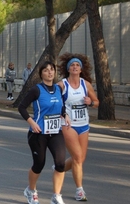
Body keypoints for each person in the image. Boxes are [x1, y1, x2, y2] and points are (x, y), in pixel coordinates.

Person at [18, 61, 70, 204]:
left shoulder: (59, 89)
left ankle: (56, 195)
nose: (50, 72)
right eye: (46, 70)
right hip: (38, 133)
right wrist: (32, 122)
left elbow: (61, 106)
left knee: (60, 164)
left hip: (55, 131)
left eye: (52, 70)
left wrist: (65, 115)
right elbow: (21, 107)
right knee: (39, 164)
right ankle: (31, 190)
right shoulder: (36, 90)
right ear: (41, 73)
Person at [57, 53, 99, 201]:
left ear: (81, 69)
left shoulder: (85, 84)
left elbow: (96, 102)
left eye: (77, 65)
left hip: (84, 125)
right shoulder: (62, 85)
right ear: (68, 69)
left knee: (81, 158)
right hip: (68, 125)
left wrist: (91, 103)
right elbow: (54, 100)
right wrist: (62, 113)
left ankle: (59, 167)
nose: (75, 67)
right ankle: (79, 190)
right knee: (77, 157)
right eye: (72, 65)